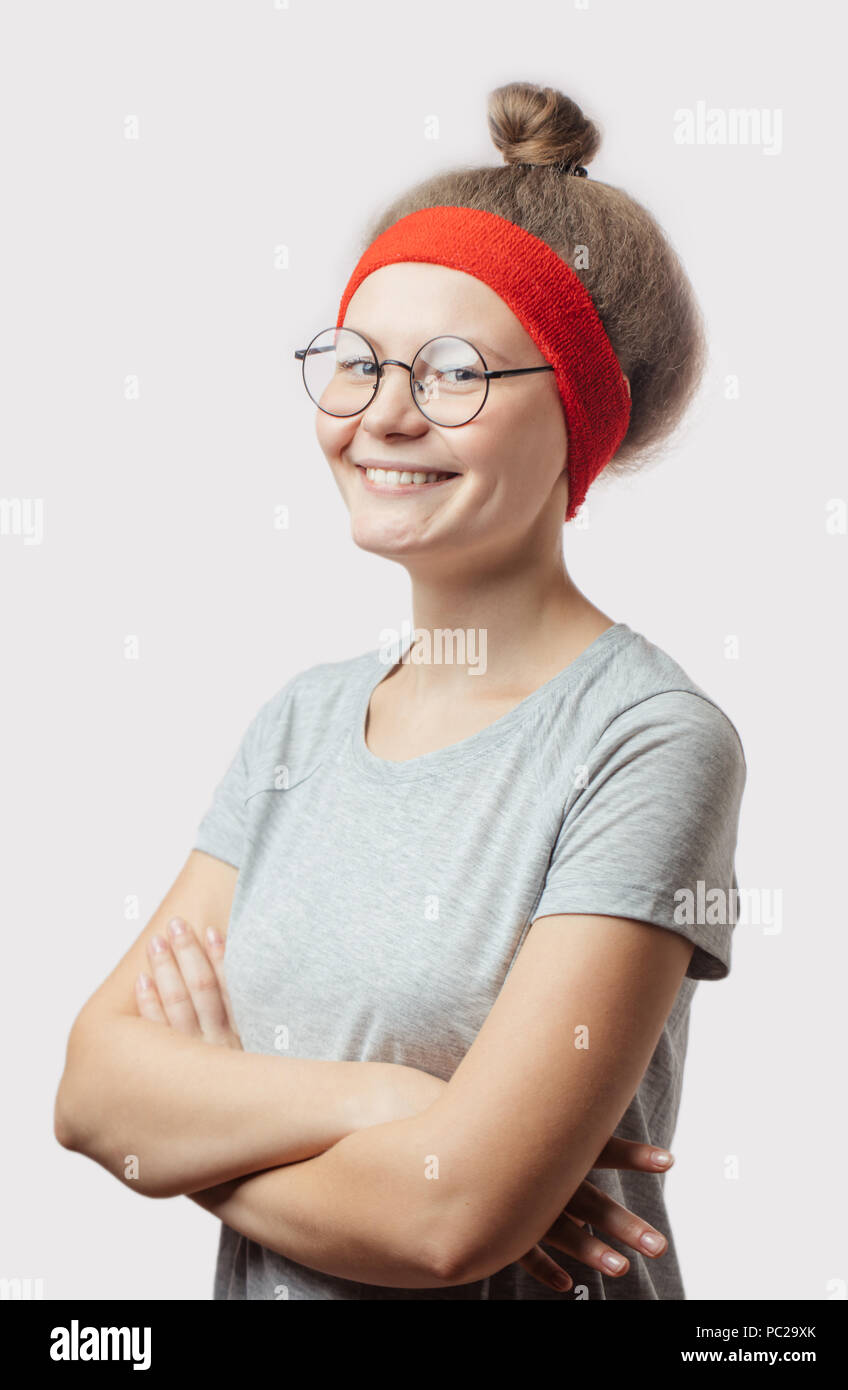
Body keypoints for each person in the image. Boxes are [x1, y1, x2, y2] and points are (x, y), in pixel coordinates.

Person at [54, 81, 747, 1300]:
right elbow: (91, 1093)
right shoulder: (300, 725)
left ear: (582, 415)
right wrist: (390, 1107)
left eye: (451, 374)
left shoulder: (646, 743)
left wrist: (189, 1146)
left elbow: (446, 1221)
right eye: (354, 362)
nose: (380, 415)